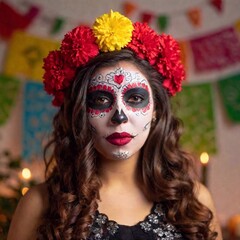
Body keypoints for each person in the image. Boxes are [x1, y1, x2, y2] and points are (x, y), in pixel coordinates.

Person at [7, 10, 222, 240]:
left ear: (156, 111)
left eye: (135, 98)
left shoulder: (194, 202)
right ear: (80, 112)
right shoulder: (40, 204)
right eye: (101, 99)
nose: (119, 116)